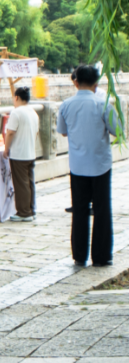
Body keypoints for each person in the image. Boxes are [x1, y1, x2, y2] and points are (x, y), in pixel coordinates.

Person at [57, 65, 120, 267]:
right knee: (102, 209)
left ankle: (79, 255)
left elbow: (63, 131)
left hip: (78, 165)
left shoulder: (66, 105)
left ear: (76, 82)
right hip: (100, 164)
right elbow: (117, 130)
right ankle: (101, 256)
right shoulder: (103, 104)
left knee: (79, 209)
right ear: (96, 83)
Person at [3, 85, 40, 222]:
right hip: (30, 152)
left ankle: (24, 212)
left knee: (21, 184)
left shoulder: (16, 112)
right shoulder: (33, 112)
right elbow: (36, 133)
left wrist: (6, 148)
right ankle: (31, 209)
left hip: (19, 153)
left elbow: (10, 132)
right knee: (29, 183)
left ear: (17, 97)